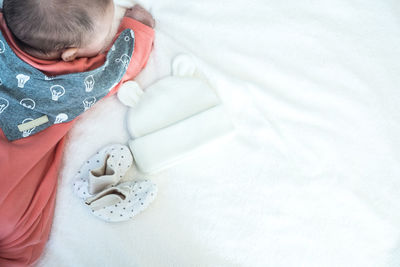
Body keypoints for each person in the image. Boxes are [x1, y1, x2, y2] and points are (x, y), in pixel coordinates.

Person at [0, 0, 155, 265]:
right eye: (107, 33)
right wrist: (138, 27)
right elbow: (121, 68)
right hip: (8, 209)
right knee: (19, 251)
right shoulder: (77, 82)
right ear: (70, 54)